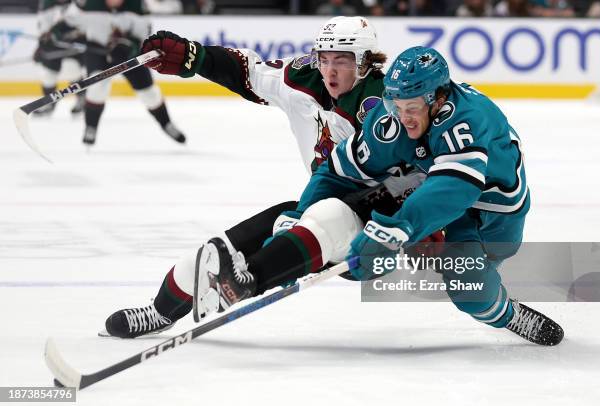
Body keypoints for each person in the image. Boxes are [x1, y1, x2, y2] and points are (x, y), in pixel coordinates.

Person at [186, 46, 564, 346]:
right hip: (427, 188)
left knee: (468, 289)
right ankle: (257, 273)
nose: (403, 119)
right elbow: (336, 172)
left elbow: (456, 189)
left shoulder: (468, 119)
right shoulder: (393, 119)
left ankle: (508, 313)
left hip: (490, 212)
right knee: (340, 222)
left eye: (412, 109)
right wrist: (302, 214)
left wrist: (399, 228)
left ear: (438, 100)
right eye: (396, 107)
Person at [103, 16, 436, 338]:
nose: (330, 70)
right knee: (216, 252)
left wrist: (424, 222)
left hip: (375, 228)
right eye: (325, 58)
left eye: (343, 61)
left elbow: (426, 168)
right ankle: (161, 311)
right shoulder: (304, 78)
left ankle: (246, 283)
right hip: (318, 204)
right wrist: (194, 57)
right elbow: (249, 72)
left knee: (326, 214)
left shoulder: (390, 104)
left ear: (365, 62)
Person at [66, 0, 186, 145]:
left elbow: (144, 38)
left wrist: (130, 46)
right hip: (97, 52)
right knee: (96, 89)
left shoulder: (138, 6)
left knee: (150, 93)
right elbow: (68, 23)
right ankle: (91, 127)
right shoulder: (87, 4)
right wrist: (56, 34)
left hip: (128, 56)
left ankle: (166, 123)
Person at [33, 0, 86, 116]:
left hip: (73, 47)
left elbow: (83, 24)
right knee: (48, 74)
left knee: (71, 69)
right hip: (53, 47)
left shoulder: (78, 4)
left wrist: (71, 35)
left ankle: (81, 98)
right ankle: (49, 103)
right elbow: (44, 28)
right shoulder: (46, 5)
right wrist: (42, 45)